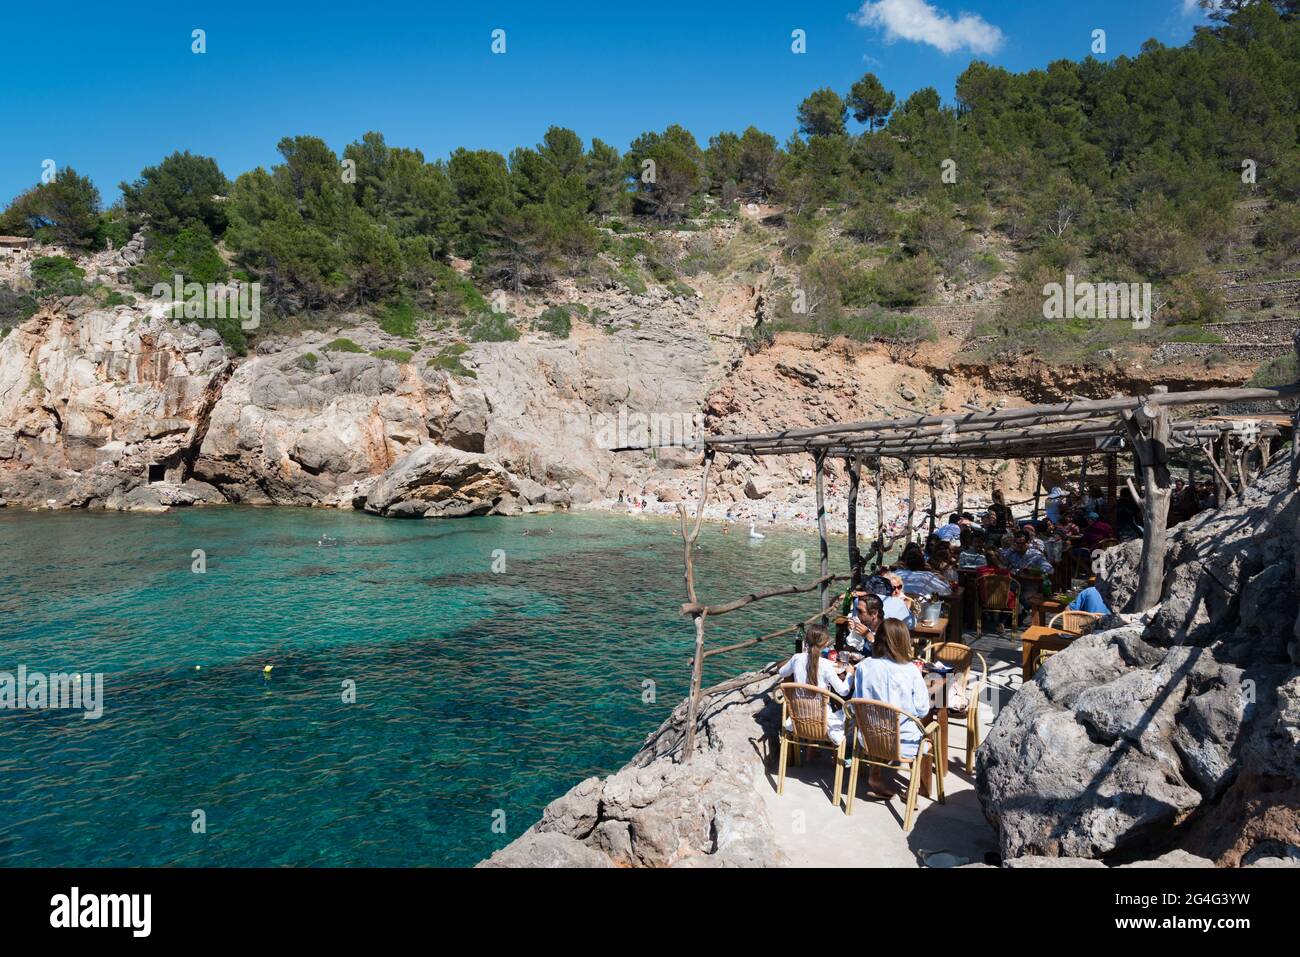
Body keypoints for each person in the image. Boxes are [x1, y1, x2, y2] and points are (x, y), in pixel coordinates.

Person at [852, 619, 933, 797]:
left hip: (869, 739)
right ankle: (913, 787)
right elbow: (922, 710)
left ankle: (875, 774)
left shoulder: (864, 666)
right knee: (927, 733)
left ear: (879, 638)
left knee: (880, 723)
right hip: (903, 745)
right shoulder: (911, 670)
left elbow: (856, 702)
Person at [779, 625, 850, 744]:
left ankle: (810, 751)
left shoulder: (797, 658)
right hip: (822, 723)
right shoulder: (826, 665)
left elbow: (782, 672)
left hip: (798, 720)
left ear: (806, 641)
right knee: (846, 714)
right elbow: (843, 691)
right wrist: (850, 675)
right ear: (826, 643)